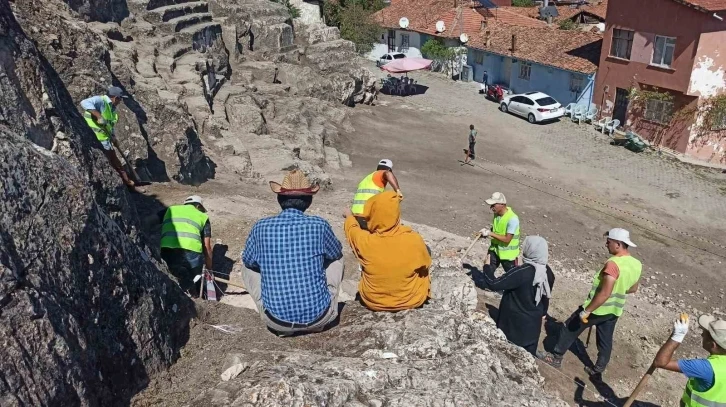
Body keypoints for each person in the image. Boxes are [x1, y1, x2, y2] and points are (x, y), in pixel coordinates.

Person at [241, 170, 344, 336]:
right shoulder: (319, 225)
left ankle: (275, 311)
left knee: (246, 265)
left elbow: (249, 261)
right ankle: (320, 307)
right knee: (337, 258)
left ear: (280, 199)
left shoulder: (261, 226)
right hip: (320, 318)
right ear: (308, 201)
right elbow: (335, 253)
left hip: (277, 323)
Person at [537, 228, 642, 377]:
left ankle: (555, 357)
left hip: (597, 309)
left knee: (569, 328)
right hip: (614, 310)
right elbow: (633, 288)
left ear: (618, 244)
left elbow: (605, 293)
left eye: (609, 242)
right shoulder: (636, 264)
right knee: (605, 339)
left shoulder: (613, 264)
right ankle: (598, 369)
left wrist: (587, 310)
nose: (606, 244)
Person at [344, 191, 431, 312]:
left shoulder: (365, 240)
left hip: (373, 302)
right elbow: (426, 264)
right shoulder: (414, 239)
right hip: (411, 301)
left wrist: (349, 216)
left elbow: (351, 229)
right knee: (425, 253)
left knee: (364, 259)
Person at [477, 236, 555, 355]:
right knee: (528, 361)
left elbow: (493, 283)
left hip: (513, 326)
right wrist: (543, 312)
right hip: (533, 327)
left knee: (508, 358)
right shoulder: (547, 272)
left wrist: (487, 266)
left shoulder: (521, 272)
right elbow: (545, 297)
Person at [653, 314, 726, 406]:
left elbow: (660, 362)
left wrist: (677, 336)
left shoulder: (705, 368)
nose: (702, 334)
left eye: (706, 334)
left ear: (712, 345)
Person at [80, 86, 134, 188]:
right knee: (114, 162)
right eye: (120, 98)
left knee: (113, 162)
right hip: (95, 138)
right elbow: (84, 102)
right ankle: (128, 184)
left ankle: (126, 183)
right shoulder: (101, 100)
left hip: (105, 139)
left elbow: (110, 125)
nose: (120, 101)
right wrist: (99, 116)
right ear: (115, 97)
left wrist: (113, 137)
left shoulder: (112, 109)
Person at [159, 195, 213, 296]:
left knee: (173, 274)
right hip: (192, 252)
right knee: (198, 280)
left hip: (167, 249)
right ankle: (200, 297)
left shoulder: (170, 209)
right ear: (198, 206)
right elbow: (207, 246)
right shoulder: (203, 216)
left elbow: (151, 221)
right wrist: (209, 269)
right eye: (201, 209)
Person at [351, 159, 402, 229]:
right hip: (366, 215)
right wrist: (398, 190)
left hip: (356, 214)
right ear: (389, 169)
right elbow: (387, 173)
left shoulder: (367, 178)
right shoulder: (382, 173)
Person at [479, 192, 520, 272]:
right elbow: (497, 229)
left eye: (493, 205)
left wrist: (490, 233)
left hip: (508, 255)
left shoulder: (512, 219)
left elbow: (507, 239)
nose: (491, 208)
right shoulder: (497, 214)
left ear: (502, 204)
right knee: (487, 271)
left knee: (513, 279)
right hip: (495, 250)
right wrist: (486, 233)